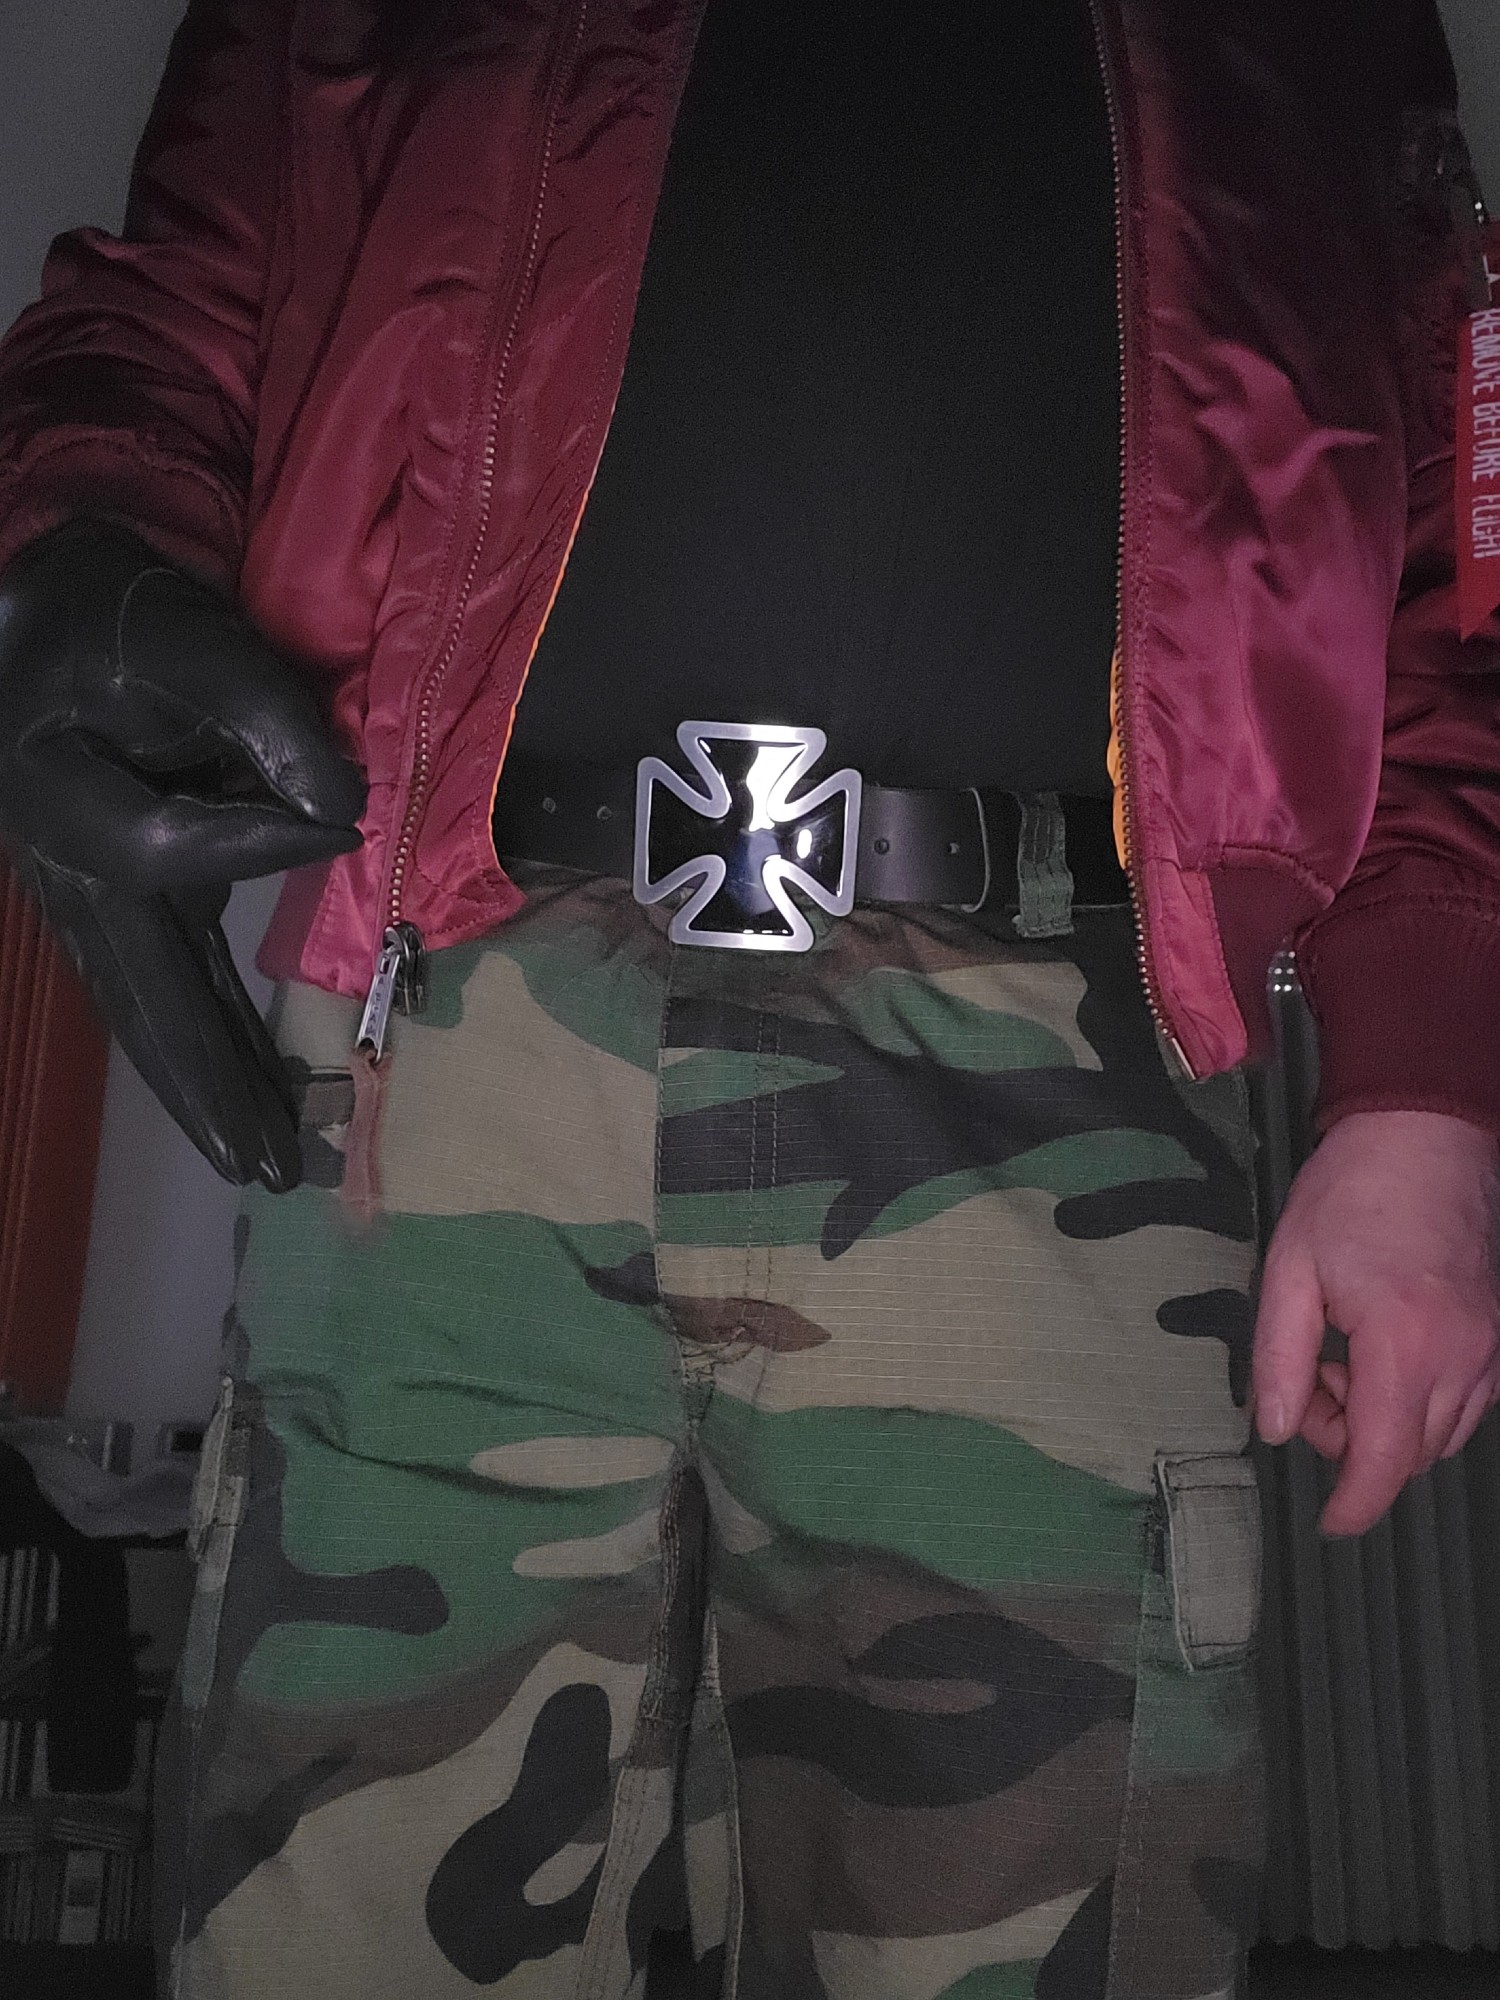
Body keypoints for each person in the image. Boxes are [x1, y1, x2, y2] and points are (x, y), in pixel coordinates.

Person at [1, 2, 1497, 1995]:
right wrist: (77, 530)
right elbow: (174, 300)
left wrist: (1428, 1080)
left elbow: (1451, 520)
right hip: (458, 1040)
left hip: (1057, 1081)